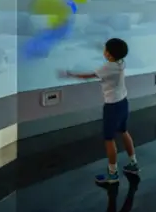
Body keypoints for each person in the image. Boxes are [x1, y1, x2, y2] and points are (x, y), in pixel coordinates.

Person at [59, 38, 139, 184]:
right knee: (124, 131)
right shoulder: (121, 62)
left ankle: (113, 175)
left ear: (109, 54)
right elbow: (113, 54)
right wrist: (100, 47)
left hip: (112, 107)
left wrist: (69, 74)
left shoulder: (107, 68)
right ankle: (133, 163)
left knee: (109, 139)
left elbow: (88, 76)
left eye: (105, 49)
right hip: (123, 102)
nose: (103, 51)